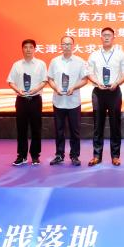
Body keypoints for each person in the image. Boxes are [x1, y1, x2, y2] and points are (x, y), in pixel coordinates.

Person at [86, 27, 124, 166]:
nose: (106, 37)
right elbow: (89, 73)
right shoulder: (94, 55)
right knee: (98, 126)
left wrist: (116, 83)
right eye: (104, 35)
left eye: (109, 35)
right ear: (101, 37)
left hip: (114, 92)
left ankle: (115, 156)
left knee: (115, 125)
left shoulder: (120, 54)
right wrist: (97, 82)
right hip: (98, 92)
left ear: (113, 37)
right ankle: (96, 156)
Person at [47, 36, 87, 167]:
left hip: (73, 101)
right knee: (59, 130)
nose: (66, 46)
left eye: (69, 44)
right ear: (61, 45)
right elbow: (50, 79)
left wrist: (74, 87)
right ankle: (59, 155)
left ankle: (74, 156)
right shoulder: (54, 61)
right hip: (58, 101)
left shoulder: (80, 61)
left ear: (73, 45)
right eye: (64, 44)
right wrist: (55, 88)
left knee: (75, 131)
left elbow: (85, 80)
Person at [7, 39, 47, 166]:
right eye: (26, 47)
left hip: (35, 99)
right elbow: (10, 81)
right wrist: (17, 90)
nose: (28, 49)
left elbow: (44, 81)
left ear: (35, 49)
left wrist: (36, 89)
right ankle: (22, 156)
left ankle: (35, 155)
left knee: (36, 129)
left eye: (31, 47)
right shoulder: (17, 65)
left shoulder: (41, 64)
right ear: (22, 49)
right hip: (21, 100)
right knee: (21, 129)